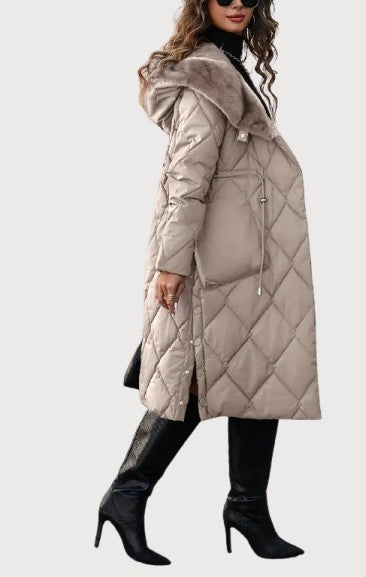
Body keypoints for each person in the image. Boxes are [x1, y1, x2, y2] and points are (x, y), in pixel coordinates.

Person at [95, 0, 322, 565]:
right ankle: (127, 494)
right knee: (191, 383)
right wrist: (171, 262)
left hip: (251, 264)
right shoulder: (207, 76)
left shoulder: (229, 66)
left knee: (259, 376)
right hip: (216, 265)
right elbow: (187, 176)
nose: (237, 2)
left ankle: (247, 508)